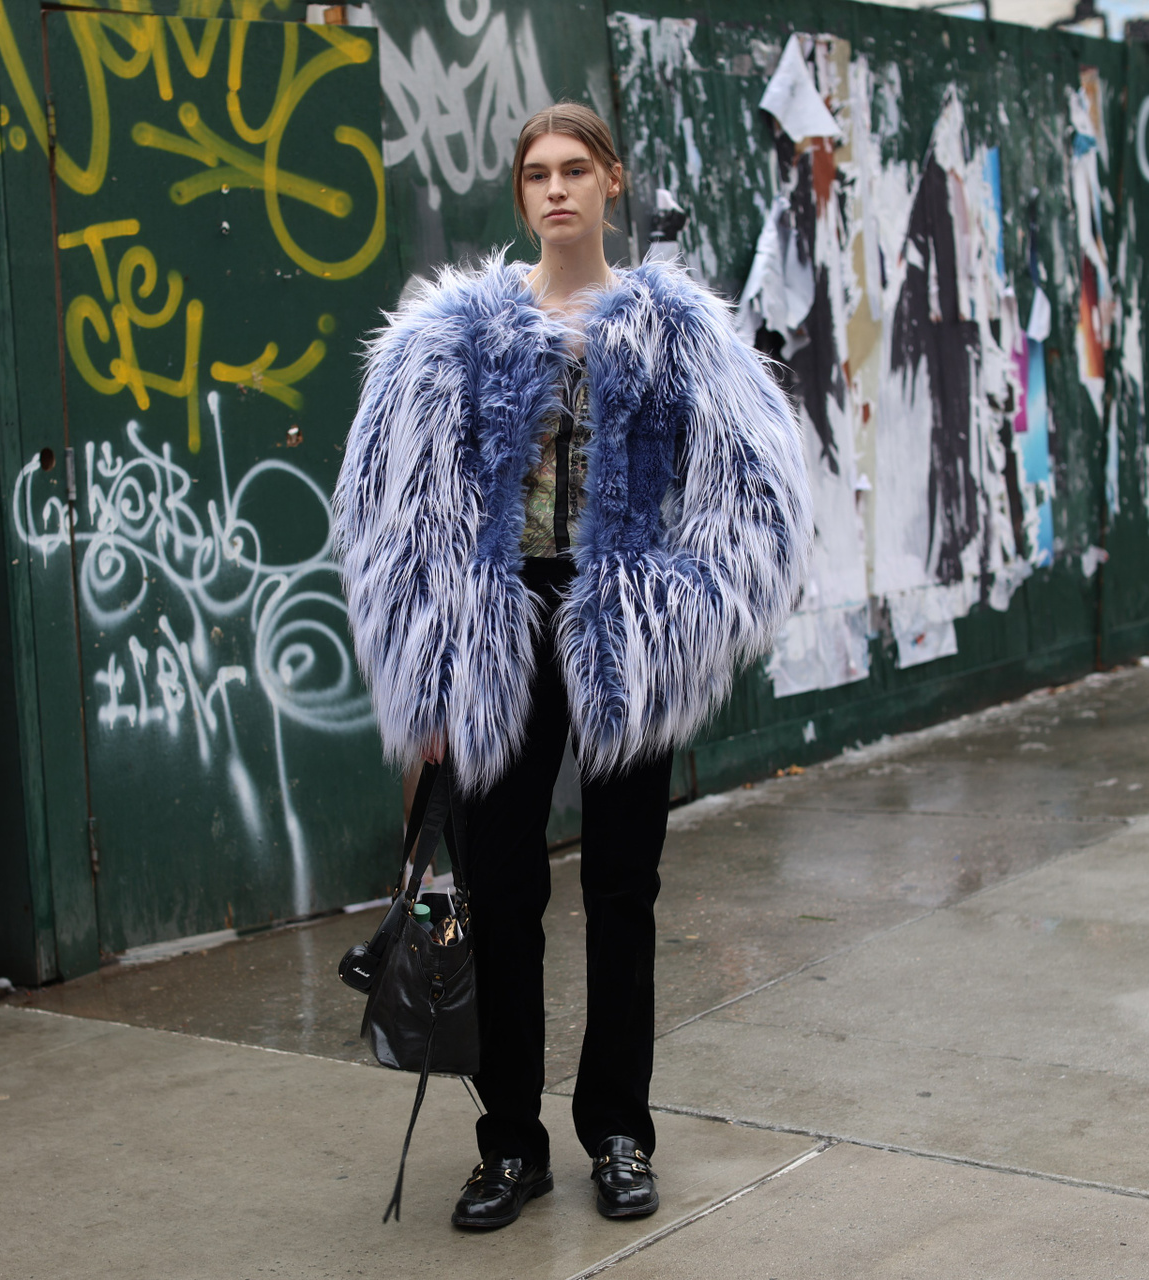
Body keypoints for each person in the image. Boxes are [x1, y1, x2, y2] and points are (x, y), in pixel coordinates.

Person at [333, 103, 811, 1231]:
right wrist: (432, 668)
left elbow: (754, 490)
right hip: (495, 631)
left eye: (576, 170)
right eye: (538, 173)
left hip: (623, 628)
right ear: (522, 194)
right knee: (501, 895)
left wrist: (682, 612)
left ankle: (620, 1134)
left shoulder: (672, 328)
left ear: (612, 183)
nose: (556, 189)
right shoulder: (454, 335)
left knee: (622, 893)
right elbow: (394, 511)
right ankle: (510, 1143)